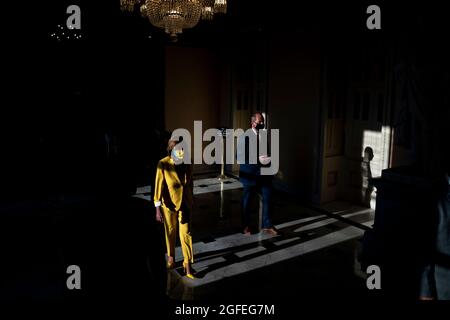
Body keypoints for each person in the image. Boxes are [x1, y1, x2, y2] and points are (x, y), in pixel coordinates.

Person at [154, 139, 195, 279]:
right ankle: (171, 256)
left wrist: (191, 201)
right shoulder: (163, 163)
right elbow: (158, 187)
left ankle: (187, 264)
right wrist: (157, 208)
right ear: (171, 151)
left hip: (185, 203)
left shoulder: (187, 162)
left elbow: (190, 184)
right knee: (170, 232)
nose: (182, 152)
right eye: (178, 150)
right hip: (169, 205)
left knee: (186, 233)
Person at [238, 112, 279, 236]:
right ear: (253, 123)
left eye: (263, 122)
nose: (262, 124)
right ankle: (246, 226)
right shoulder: (244, 137)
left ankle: (267, 225)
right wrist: (257, 159)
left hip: (264, 174)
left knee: (268, 198)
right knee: (247, 202)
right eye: (259, 122)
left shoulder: (264, 135)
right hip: (250, 174)